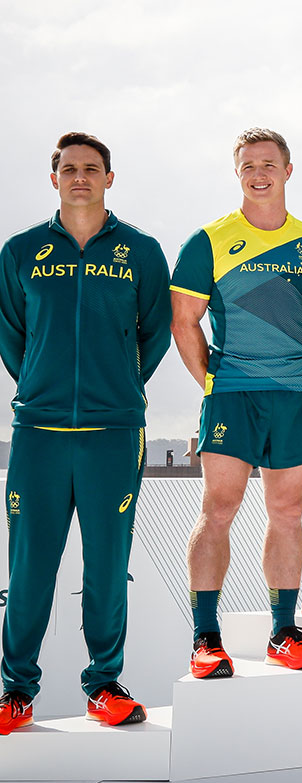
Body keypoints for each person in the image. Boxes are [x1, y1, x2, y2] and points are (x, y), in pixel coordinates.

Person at [0, 133, 171, 734]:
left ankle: (104, 684)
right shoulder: (20, 251)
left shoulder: (142, 252)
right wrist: (45, 386)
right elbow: (12, 337)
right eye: (69, 169)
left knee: (105, 565)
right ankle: (15, 690)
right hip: (40, 435)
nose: (80, 177)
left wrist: (119, 387)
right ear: (54, 179)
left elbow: (155, 332)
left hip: (112, 434)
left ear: (109, 178)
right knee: (30, 568)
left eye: (91, 169)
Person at [170, 128, 302, 678]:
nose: (258, 173)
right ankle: (205, 639)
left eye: (268, 164)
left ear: (288, 171)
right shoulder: (208, 241)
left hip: (294, 397)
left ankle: (284, 632)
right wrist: (213, 384)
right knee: (218, 511)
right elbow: (185, 321)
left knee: (287, 513)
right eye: (248, 165)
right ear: (237, 172)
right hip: (232, 396)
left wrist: (288, 370)